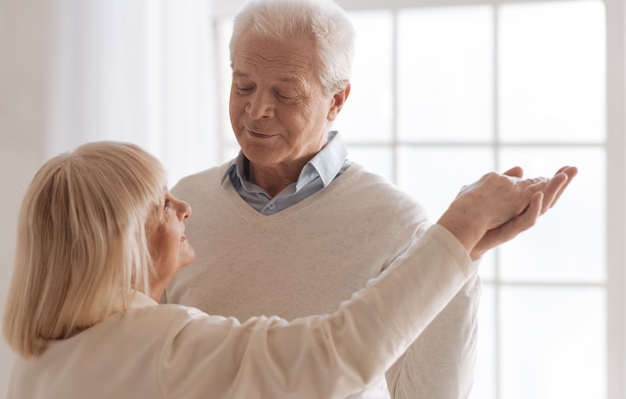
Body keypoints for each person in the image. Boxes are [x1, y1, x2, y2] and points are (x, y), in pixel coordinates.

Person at [164, 0, 579, 399]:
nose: (256, 110)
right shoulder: (181, 206)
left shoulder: (396, 223)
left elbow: (430, 391)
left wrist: (465, 251)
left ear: (336, 100)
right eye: (244, 86)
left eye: (284, 94)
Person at [3, 141, 571, 399]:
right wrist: (461, 226)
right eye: (160, 202)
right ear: (122, 238)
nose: (183, 207)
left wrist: (461, 251)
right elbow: (335, 355)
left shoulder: (38, 362)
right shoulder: (160, 346)